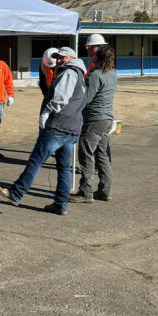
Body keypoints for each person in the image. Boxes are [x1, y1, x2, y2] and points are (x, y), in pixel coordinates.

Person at [0, 46, 86, 215]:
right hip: (72, 129)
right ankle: (60, 204)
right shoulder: (80, 75)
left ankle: (16, 193)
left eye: (62, 57)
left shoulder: (69, 73)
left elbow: (60, 99)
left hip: (58, 126)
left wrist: (46, 112)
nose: (58, 59)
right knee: (64, 168)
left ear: (71, 58)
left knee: (36, 159)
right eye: (57, 56)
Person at [69, 45, 117, 203]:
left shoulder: (95, 75)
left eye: (95, 55)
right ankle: (105, 190)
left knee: (86, 154)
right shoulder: (112, 74)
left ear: (98, 58)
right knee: (102, 154)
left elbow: (86, 99)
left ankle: (85, 192)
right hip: (107, 119)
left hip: (94, 119)